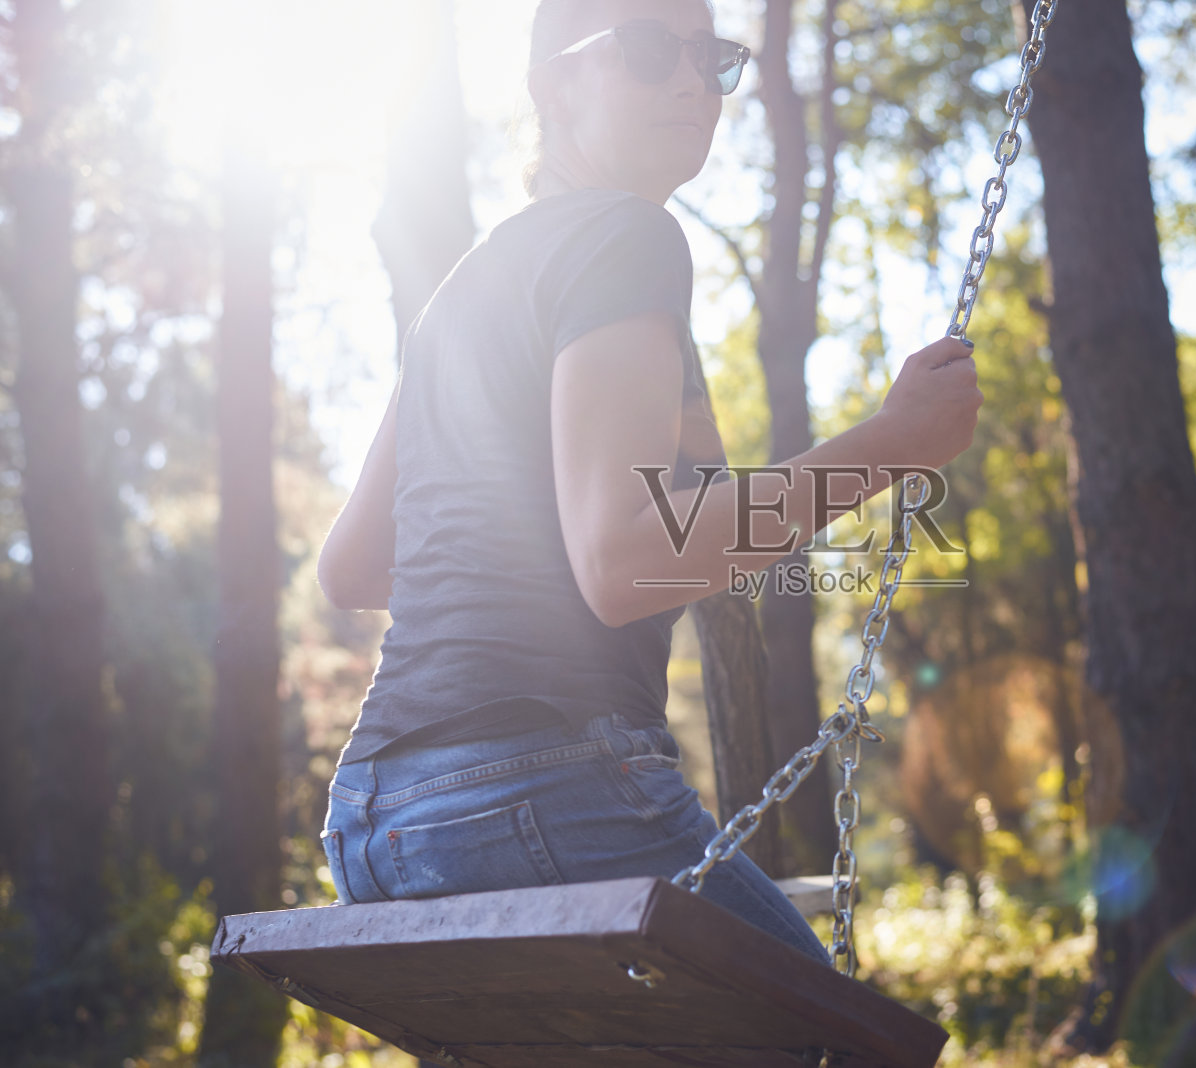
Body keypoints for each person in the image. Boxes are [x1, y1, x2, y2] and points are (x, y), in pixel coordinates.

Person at [315, 0, 982, 967]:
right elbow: (626, 558)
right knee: (829, 1042)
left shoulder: (457, 296)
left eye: (712, 58)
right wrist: (894, 443)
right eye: (643, 48)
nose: (687, 79)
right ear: (554, 85)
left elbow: (352, 570)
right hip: (544, 786)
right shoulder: (626, 236)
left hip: (376, 819)